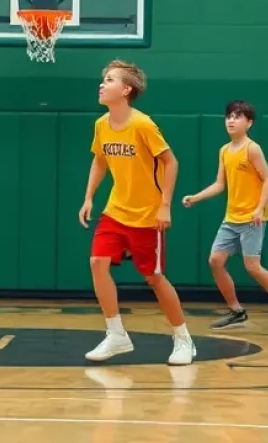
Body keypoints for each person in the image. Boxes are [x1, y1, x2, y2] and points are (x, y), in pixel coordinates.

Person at [79, 60, 195, 366]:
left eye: (110, 80)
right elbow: (100, 161)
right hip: (116, 210)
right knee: (97, 262)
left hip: (147, 215)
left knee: (154, 277)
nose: (102, 84)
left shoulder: (143, 124)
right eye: (103, 79)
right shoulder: (101, 125)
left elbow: (171, 162)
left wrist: (165, 205)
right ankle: (116, 334)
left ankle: (183, 337)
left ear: (126, 89)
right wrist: (89, 197)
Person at [182, 100, 268, 334]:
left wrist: (258, 209)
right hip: (231, 218)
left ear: (249, 122)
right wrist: (196, 197)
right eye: (229, 116)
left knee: (252, 267)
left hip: (252, 218)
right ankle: (236, 310)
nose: (231, 120)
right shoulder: (224, 151)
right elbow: (219, 184)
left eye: (237, 116)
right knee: (215, 261)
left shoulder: (252, 149)